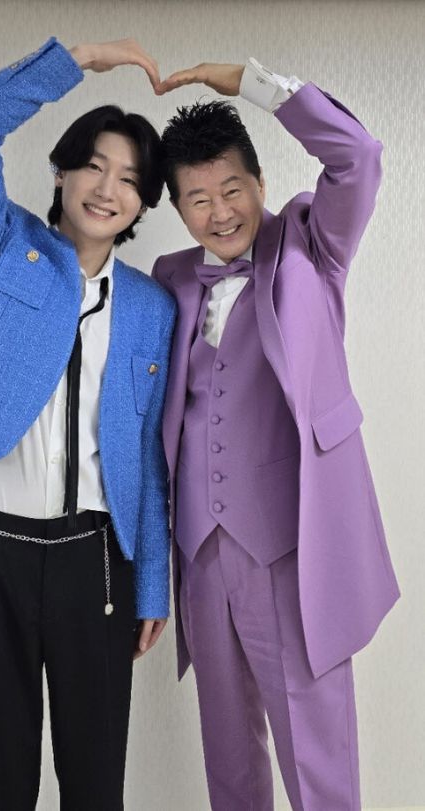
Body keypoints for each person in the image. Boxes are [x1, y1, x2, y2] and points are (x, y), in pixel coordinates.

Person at [0, 37, 175, 811]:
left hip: (98, 565)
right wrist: (76, 60)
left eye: (130, 179)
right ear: (60, 170)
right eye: (93, 164)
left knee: (95, 789)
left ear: (143, 205)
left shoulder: (152, 307)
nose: (107, 187)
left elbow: (147, 456)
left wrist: (152, 583)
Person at [153, 57, 400, 809]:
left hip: (294, 552)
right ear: (177, 208)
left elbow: (358, 157)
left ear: (261, 182)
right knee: (228, 763)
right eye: (198, 199)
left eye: (232, 189)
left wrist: (253, 84)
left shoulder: (311, 247)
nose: (219, 212)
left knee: (317, 764)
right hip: (200, 554)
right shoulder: (169, 278)